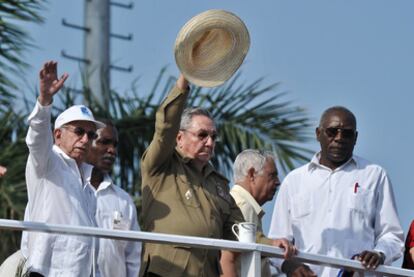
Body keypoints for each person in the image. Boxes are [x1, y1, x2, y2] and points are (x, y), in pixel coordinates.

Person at [139, 75, 295, 277]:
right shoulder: (161, 166)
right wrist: (183, 83)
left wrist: (271, 243)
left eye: (214, 136)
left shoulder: (218, 184)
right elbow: (165, 128)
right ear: (179, 138)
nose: (210, 142)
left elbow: (239, 230)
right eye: (202, 135)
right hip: (165, 272)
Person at [268, 106, 404, 276]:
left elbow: (392, 235)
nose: (339, 138)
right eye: (332, 131)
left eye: (346, 133)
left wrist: (379, 254)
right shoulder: (294, 181)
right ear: (318, 133)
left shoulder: (374, 175)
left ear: (355, 138)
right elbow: (277, 242)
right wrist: (290, 266)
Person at [22, 61, 104, 277]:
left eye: (91, 135)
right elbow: (37, 135)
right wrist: (45, 101)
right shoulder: (47, 162)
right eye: (79, 131)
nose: (86, 139)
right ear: (58, 135)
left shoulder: (88, 185)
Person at [86, 120, 141, 277]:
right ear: (86, 142)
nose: (112, 150)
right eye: (104, 142)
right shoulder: (66, 192)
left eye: (115, 145)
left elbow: (133, 256)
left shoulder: (123, 200)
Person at [220, 149, 287, 277]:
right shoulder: (242, 206)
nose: (278, 182)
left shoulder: (243, 204)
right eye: (272, 175)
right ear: (252, 174)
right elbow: (227, 259)